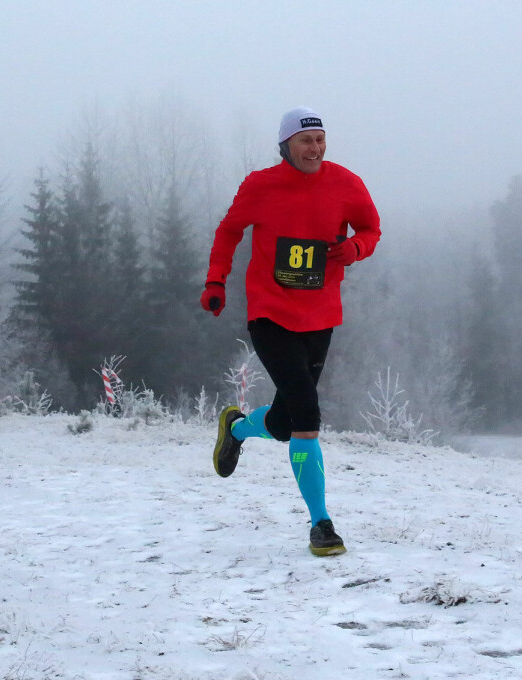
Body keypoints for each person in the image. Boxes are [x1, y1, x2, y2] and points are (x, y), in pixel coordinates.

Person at [200, 106, 381, 556]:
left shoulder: (346, 183)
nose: (314, 148)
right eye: (305, 141)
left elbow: (372, 229)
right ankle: (322, 524)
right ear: (286, 147)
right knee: (306, 413)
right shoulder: (260, 186)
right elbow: (229, 231)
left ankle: (238, 429)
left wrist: (354, 248)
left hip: (320, 315)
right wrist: (216, 280)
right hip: (270, 312)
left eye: (320, 139)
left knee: (285, 423)